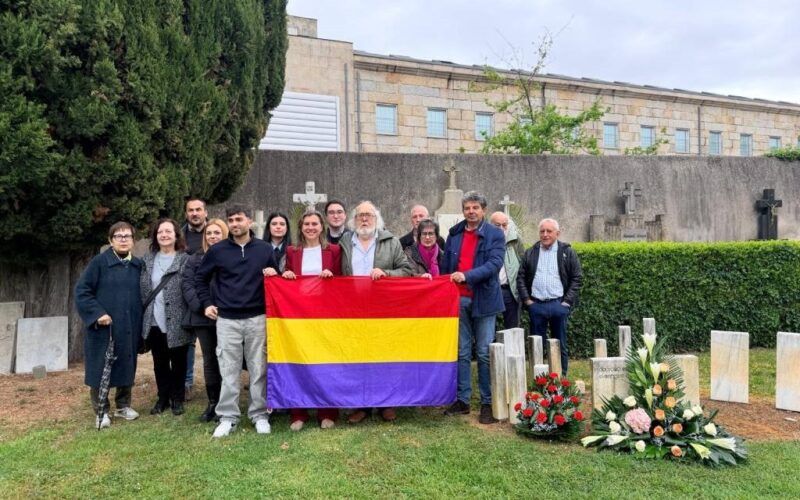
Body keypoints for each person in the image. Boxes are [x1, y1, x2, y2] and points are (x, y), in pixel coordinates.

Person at [195, 205, 279, 438]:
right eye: (231, 220)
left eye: (239, 219)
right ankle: (228, 417)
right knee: (228, 370)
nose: (234, 224)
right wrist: (206, 303)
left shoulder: (264, 249)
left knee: (258, 368)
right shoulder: (218, 250)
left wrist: (274, 274)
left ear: (249, 222)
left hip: (257, 318)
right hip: (227, 320)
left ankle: (259, 414)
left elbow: (276, 279)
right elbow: (201, 279)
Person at [340, 200, 413, 423]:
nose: (364, 219)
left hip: (382, 310)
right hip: (353, 310)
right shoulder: (345, 242)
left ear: (376, 219)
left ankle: (386, 404)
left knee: (384, 357)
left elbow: (407, 270)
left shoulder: (391, 242)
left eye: (369, 215)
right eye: (360, 215)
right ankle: (362, 405)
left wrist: (386, 273)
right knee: (358, 358)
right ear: (354, 220)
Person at [441, 191, 505, 424]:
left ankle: (487, 403)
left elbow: (494, 265)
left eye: (475, 207)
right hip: (458, 301)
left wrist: (466, 276)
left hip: (485, 300)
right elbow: (446, 266)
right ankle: (463, 400)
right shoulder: (454, 234)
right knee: (462, 352)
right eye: (467, 208)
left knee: (484, 353)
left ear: (483, 210)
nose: (471, 211)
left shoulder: (495, 234)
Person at [75, 222, 143, 429]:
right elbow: (82, 291)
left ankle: (123, 406)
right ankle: (101, 411)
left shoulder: (138, 265)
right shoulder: (99, 263)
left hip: (130, 326)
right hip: (104, 327)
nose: (123, 239)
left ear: (133, 240)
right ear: (110, 240)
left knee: (126, 364)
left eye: (127, 236)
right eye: (118, 236)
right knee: (99, 368)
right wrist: (98, 314)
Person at [281, 210, 342, 431]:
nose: (310, 227)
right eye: (306, 224)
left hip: (325, 316)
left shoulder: (333, 250)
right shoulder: (292, 251)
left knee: (325, 364)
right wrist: (286, 276)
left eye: (314, 223)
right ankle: (299, 413)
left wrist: (330, 276)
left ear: (321, 226)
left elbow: (342, 281)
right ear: (301, 227)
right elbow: (288, 277)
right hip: (299, 316)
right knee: (300, 363)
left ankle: (327, 412)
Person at [516, 218, 583, 377]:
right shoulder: (531, 252)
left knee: (560, 344)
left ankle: (561, 378)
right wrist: (527, 301)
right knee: (536, 345)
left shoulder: (567, 252)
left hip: (558, 305)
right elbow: (521, 277)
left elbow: (577, 278)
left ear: (557, 233)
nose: (545, 234)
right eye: (542, 231)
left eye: (549, 231)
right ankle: (537, 378)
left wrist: (566, 302)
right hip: (536, 305)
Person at [140, 218, 191, 416]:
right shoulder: (147, 260)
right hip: (153, 319)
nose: (164, 235)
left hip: (178, 320)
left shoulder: (185, 259)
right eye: (160, 232)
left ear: (176, 235)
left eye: (168, 231)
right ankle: (162, 398)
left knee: (179, 362)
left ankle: (177, 398)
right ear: (155, 236)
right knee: (159, 362)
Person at [182, 218, 228, 422]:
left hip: (228, 316)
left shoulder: (232, 256)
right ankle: (213, 403)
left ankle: (229, 402)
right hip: (203, 317)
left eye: (217, 232)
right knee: (210, 361)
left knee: (229, 360)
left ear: (224, 234)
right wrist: (203, 307)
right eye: (209, 233)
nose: (212, 236)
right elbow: (188, 285)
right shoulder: (194, 259)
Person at [181, 198, 208, 399]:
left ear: (205, 212)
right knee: (187, 341)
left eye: (198, 209)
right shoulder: (178, 236)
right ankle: (187, 382)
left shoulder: (216, 232)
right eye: (191, 210)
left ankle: (215, 383)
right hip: (186, 294)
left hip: (212, 296)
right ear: (186, 214)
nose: (195, 213)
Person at [489, 212, 526, 329]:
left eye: (504, 225)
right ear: (490, 225)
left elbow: (523, 264)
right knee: (489, 327)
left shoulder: (516, 240)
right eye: (497, 225)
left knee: (512, 329)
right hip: (491, 289)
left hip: (509, 290)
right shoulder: (485, 240)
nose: (501, 228)